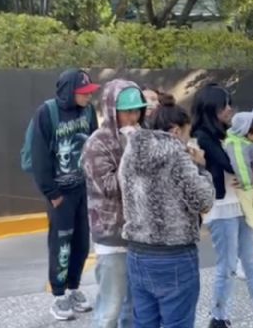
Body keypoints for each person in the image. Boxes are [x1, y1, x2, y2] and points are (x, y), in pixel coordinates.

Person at [192, 85, 253, 328]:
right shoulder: (203, 135)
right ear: (211, 107)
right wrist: (250, 165)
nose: (229, 109)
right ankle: (218, 317)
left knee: (252, 260)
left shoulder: (231, 132)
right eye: (223, 105)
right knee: (227, 266)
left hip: (243, 200)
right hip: (223, 205)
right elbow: (229, 164)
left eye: (229, 104)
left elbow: (251, 160)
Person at [119, 96, 213, 328]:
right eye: (187, 133)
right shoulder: (176, 154)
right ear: (175, 131)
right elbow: (203, 201)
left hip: (138, 252)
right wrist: (201, 167)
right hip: (174, 254)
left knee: (143, 322)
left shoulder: (130, 152)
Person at [30, 68, 99, 321]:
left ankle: (74, 288)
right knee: (61, 243)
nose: (87, 97)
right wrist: (52, 192)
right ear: (69, 92)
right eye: (83, 93)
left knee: (82, 241)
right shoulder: (47, 113)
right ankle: (58, 296)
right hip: (60, 193)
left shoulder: (88, 111)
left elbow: (94, 144)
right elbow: (39, 156)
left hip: (83, 189)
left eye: (89, 93)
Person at [82, 80, 146, 328]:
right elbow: (108, 187)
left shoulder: (142, 136)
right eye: (127, 111)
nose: (133, 117)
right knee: (110, 309)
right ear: (111, 110)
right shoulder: (96, 144)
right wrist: (131, 153)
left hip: (140, 233)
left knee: (133, 308)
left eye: (137, 110)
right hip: (111, 236)